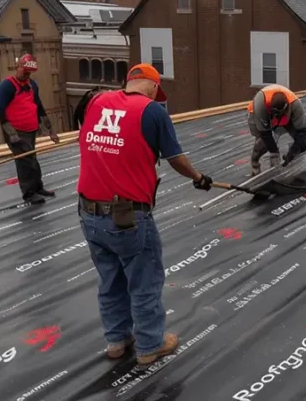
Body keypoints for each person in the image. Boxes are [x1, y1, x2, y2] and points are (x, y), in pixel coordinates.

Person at [75, 63, 214, 368]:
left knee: (110, 280)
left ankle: (116, 341)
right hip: (126, 216)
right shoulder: (152, 111)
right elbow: (175, 158)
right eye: (156, 91)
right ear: (152, 86)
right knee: (144, 280)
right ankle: (150, 345)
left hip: (88, 213)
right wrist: (198, 177)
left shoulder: (96, 102)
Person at [0, 53, 59, 205]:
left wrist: (51, 131)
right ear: (17, 67)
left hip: (30, 130)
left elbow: (39, 108)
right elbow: (0, 111)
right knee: (24, 162)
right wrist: (12, 134)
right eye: (25, 72)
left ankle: (38, 188)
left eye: (29, 73)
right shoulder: (7, 86)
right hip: (16, 131)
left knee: (32, 160)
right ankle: (29, 194)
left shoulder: (32, 85)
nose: (27, 75)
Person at [247, 84, 306, 176]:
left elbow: (303, 131)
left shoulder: (295, 104)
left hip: (286, 114)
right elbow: (265, 134)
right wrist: (274, 153)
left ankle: (293, 160)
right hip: (260, 114)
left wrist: (294, 150)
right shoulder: (260, 104)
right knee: (262, 144)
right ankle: (255, 165)